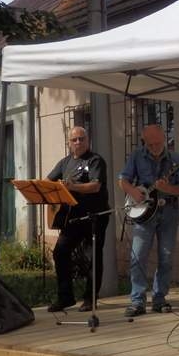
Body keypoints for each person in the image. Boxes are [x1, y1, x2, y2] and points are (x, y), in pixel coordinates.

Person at [119, 124, 179, 317]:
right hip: (144, 214)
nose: (153, 148)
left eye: (157, 143)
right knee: (137, 256)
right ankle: (137, 300)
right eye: (149, 144)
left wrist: (167, 188)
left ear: (164, 138)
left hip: (169, 212)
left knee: (166, 257)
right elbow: (123, 180)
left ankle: (159, 298)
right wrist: (133, 192)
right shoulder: (137, 156)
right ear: (144, 141)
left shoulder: (176, 159)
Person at [46, 126, 110, 312]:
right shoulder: (64, 162)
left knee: (92, 257)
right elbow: (49, 181)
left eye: (81, 139)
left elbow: (95, 186)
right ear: (69, 143)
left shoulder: (95, 160)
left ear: (87, 140)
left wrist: (71, 187)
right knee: (60, 252)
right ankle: (66, 297)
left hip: (94, 216)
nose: (78, 142)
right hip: (72, 217)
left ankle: (90, 299)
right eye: (74, 140)